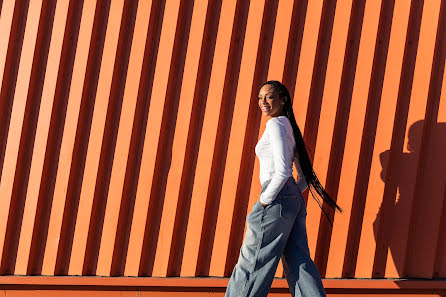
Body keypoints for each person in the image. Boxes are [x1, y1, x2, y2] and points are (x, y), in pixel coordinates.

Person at [225, 80, 342, 297]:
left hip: (276, 195)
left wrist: (264, 201)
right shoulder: (289, 126)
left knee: (253, 261)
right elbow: (304, 175)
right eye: (260, 97)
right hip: (291, 198)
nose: (263, 102)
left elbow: (280, 172)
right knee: (299, 260)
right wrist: (293, 193)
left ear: (283, 99)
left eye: (269, 96)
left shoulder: (275, 125)